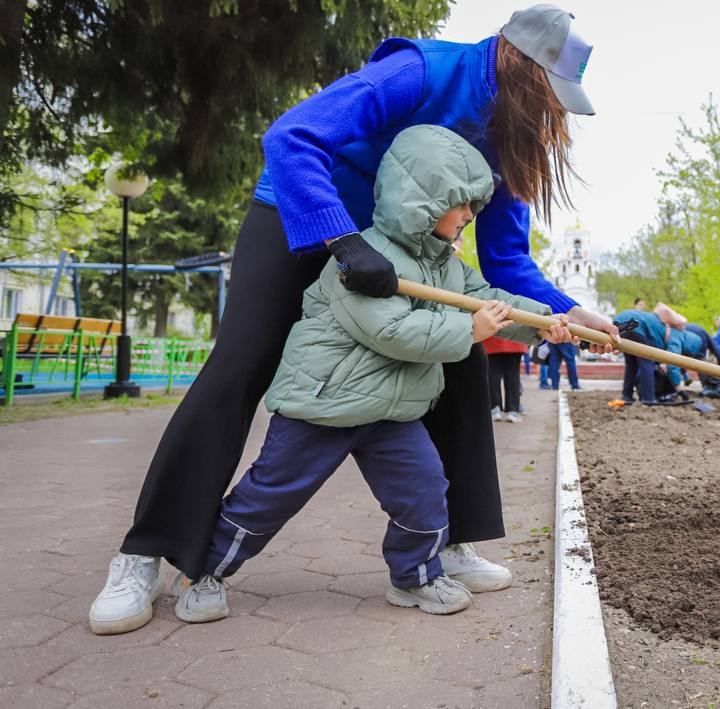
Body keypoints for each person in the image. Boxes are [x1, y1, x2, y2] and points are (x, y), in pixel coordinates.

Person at [90, 4, 620, 636]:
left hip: (405, 248)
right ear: (520, 63)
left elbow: (505, 257)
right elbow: (292, 137)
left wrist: (567, 313)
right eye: (551, 94)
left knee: (464, 349)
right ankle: (144, 553)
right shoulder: (418, 71)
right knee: (239, 366)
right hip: (301, 217)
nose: (552, 113)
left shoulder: (509, 135)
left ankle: (449, 545)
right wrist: (342, 242)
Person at [179, 127, 570, 622]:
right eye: (464, 203)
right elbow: (391, 331)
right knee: (266, 499)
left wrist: (546, 321)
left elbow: (497, 301)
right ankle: (204, 571)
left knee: (426, 493)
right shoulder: (363, 259)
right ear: (427, 199)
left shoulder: (446, 266)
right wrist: (470, 329)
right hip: (323, 406)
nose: (471, 215)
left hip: (392, 412)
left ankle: (415, 578)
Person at [612, 308, 671, 405]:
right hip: (635, 326)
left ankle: (627, 396)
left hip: (618, 322)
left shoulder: (650, 317)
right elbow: (657, 349)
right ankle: (648, 398)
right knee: (647, 362)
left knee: (631, 364)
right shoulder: (660, 328)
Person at [484, 335, 527, 422]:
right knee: (513, 376)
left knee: (493, 376)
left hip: (492, 339)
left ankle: (494, 409)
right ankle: (513, 410)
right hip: (516, 340)